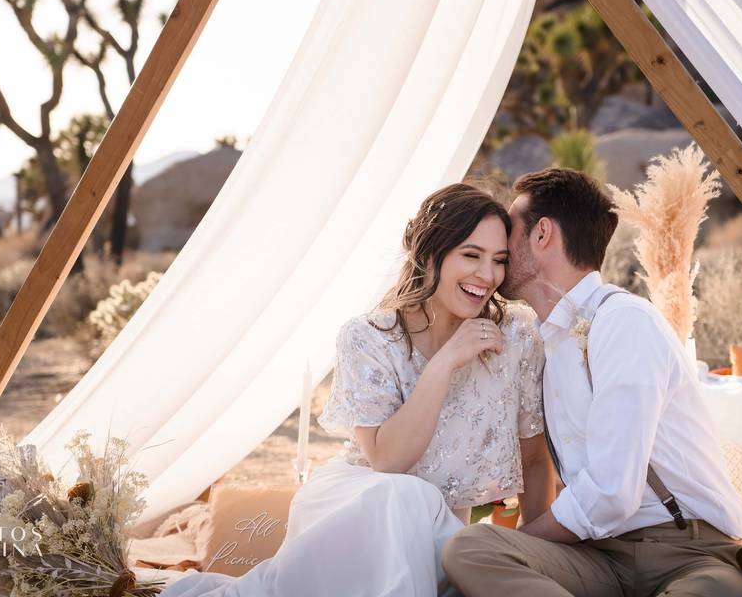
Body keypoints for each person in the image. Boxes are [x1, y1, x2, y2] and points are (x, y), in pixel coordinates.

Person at [161, 183, 556, 597]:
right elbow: (387, 462)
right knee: (403, 494)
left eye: (499, 260)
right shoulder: (368, 338)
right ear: (429, 255)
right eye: (471, 256)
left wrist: (533, 551)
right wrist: (443, 364)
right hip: (359, 511)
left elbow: (533, 460)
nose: (487, 275)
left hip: (444, 539)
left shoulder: (515, 337)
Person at [442, 168, 742, 597]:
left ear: (542, 234)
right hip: (596, 557)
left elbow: (612, 491)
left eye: (509, 231)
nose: (499, 249)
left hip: (690, 555)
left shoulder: (624, 322)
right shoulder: (544, 341)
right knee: (472, 548)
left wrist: (527, 538)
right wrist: (515, 543)